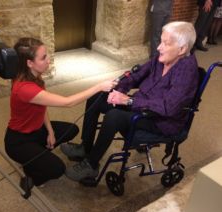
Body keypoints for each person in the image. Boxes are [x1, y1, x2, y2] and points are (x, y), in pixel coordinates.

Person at [61, 21, 199, 182]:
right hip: (141, 106)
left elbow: (168, 107)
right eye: (161, 41)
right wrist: (119, 90)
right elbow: (136, 75)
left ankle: (91, 165)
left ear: (182, 49)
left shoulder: (187, 72)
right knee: (97, 97)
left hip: (160, 121)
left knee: (114, 116)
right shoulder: (161, 59)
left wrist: (128, 101)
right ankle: (85, 147)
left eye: (165, 44)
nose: (159, 47)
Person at [4, 37, 116, 186]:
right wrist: (99, 86)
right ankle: (31, 175)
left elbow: (41, 107)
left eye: (47, 55)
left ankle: (36, 156)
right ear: (30, 63)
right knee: (58, 169)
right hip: (18, 141)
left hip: (36, 130)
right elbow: (68, 102)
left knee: (71, 130)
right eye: (43, 57)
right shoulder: (24, 88)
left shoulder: (34, 77)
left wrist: (50, 131)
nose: (48, 60)